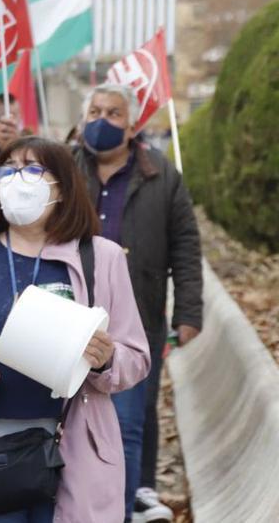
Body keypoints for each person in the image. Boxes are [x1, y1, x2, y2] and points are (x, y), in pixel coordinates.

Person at [0, 137, 149, 522]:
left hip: (74, 456)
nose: (18, 179)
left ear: (63, 185)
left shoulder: (101, 257)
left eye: (33, 169)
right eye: (8, 169)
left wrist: (106, 359)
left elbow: (136, 359)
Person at [73, 84, 202, 523]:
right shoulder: (66, 170)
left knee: (126, 427)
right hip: (68, 320)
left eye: (113, 113)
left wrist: (188, 312)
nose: (101, 119)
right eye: (94, 111)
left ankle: (122, 511)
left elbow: (185, 246)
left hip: (135, 320)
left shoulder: (161, 176)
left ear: (132, 125)